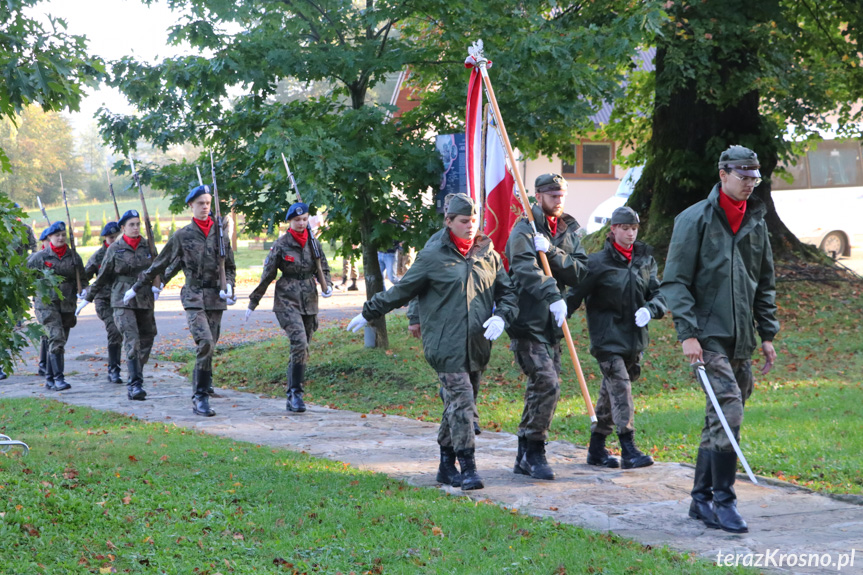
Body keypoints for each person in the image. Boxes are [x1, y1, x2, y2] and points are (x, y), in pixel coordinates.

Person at [347, 194, 517, 491]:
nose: (470, 226)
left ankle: (444, 464)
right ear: (449, 221)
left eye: (474, 221)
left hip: (477, 343)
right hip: (444, 344)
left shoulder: (488, 254)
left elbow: (508, 293)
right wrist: (369, 312)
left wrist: (502, 316)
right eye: (464, 221)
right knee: (462, 401)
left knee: (458, 404)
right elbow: (402, 291)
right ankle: (468, 467)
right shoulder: (433, 255)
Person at [661, 145, 780, 534]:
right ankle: (723, 501)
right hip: (706, 336)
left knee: (719, 417)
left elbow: (764, 282)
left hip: (741, 337)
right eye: (742, 176)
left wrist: (767, 334)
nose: (749, 183)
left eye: (754, 177)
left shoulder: (757, 221)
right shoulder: (694, 219)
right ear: (723, 174)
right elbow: (675, 282)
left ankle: (700, 499)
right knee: (729, 411)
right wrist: (688, 334)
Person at [567, 207, 666, 469]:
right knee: (621, 389)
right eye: (624, 228)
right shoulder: (597, 262)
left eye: (634, 228)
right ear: (613, 230)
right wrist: (558, 313)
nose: (630, 233)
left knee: (609, 395)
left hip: (634, 340)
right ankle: (628, 447)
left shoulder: (645, 260)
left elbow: (659, 293)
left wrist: (651, 308)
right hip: (607, 339)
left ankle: (596, 448)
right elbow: (575, 295)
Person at [505, 173, 588, 480]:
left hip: (554, 323)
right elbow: (526, 270)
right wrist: (553, 294)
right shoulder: (524, 229)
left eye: (561, 195)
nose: (558, 200)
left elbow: (581, 271)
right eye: (552, 195)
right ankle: (535, 451)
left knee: (542, 387)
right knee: (547, 382)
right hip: (527, 320)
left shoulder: (568, 230)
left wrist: (553, 252)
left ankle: (524, 452)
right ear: (538, 196)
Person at [130, 185, 237, 417]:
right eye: (200, 203)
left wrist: (229, 285)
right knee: (205, 342)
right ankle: (200, 398)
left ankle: (204, 388)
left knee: (210, 346)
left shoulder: (221, 234)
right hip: (194, 296)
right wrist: (140, 285)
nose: (205, 207)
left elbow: (230, 266)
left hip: (216, 299)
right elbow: (161, 263)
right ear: (191, 206)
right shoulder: (182, 235)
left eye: (208, 203)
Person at [245, 202, 333, 413]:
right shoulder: (282, 245)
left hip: (310, 301)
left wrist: (326, 285)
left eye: (304, 220)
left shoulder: (314, 243)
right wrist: (253, 301)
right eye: (297, 220)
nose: (301, 223)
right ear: (290, 222)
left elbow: (324, 268)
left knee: (302, 349)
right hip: (287, 301)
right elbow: (268, 275)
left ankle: (293, 393)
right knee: (299, 343)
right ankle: (295, 394)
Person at [78, 211, 161, 400]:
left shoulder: (147, 245)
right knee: (132, 340)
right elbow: (103, 275)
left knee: (148, 337)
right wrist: (87, 297)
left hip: (145, 298)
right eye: (131, 224)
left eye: (138, 224)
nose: (136, 228)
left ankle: (135, 372)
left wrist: (159, 282)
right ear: (123, 228)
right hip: (121, 299)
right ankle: (135, 385)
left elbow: (157, 266)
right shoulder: (115, 248)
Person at [26, 221, 86, 391]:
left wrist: (83, 290)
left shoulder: (74, 257)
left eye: (63, 235)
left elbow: (83, 278)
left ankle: (50, 379)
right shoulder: (40, 257)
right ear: (49, 237)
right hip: (46, 304)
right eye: (56, 235)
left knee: (59, 342)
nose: (60, 238)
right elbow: (25, 275)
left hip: (67, 305)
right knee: (56, 338)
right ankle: (59, 379)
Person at [80, 221, 124, 384]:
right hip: (104, 300)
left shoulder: (123, 251)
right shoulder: (99, 255)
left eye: (117, 236)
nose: (114, 239)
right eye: (111, 237)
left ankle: (124, 369)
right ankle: (114, 370)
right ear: (105, 238)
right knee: (114, 329)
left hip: (121, 299)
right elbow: (85, 275)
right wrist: (84, 289)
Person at [1, 204, 39, 380]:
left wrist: (30, 261)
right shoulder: (3, 229)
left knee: (20, 296)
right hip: (5, 270)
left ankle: (17, 319)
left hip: (21, 268)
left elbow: (33, 247)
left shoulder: (26, 229)